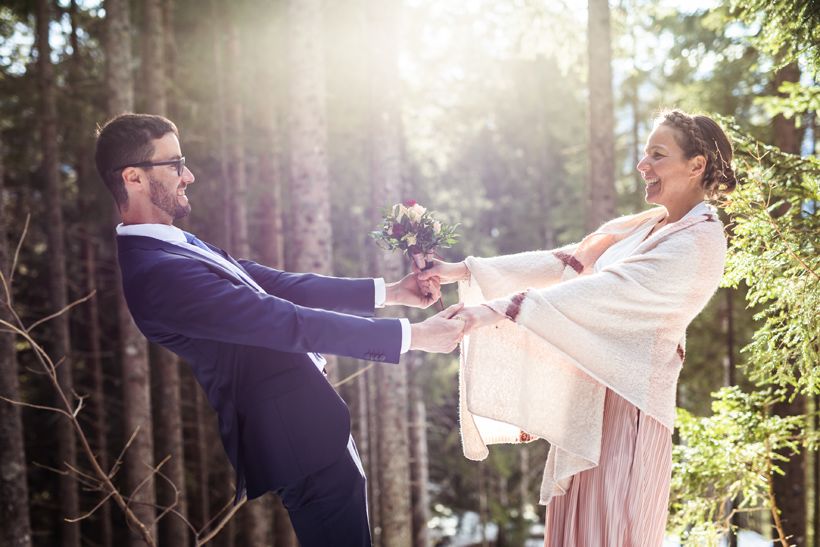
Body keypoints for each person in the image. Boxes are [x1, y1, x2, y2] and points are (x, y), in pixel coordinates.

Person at [94, 113, 465, 547]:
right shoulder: (156, 273)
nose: (188, 175)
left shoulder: (172, 244)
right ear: (134, 177)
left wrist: (392, 292)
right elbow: (281, 320)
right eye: (174, 164)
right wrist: (415, 337)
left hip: (312, 426)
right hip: (298, 442)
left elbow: (277, 284)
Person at [419, 109, 737, 545]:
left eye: (657, 155)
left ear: (696, 165)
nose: (643, 165)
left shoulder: (699, 241)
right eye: (645, 154)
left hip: (629, 409)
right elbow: (568, 261)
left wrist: (497, 310)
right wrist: (462, 271)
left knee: (609, 533)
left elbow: (607, 290)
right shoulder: (648, 226)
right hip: (589, 404)